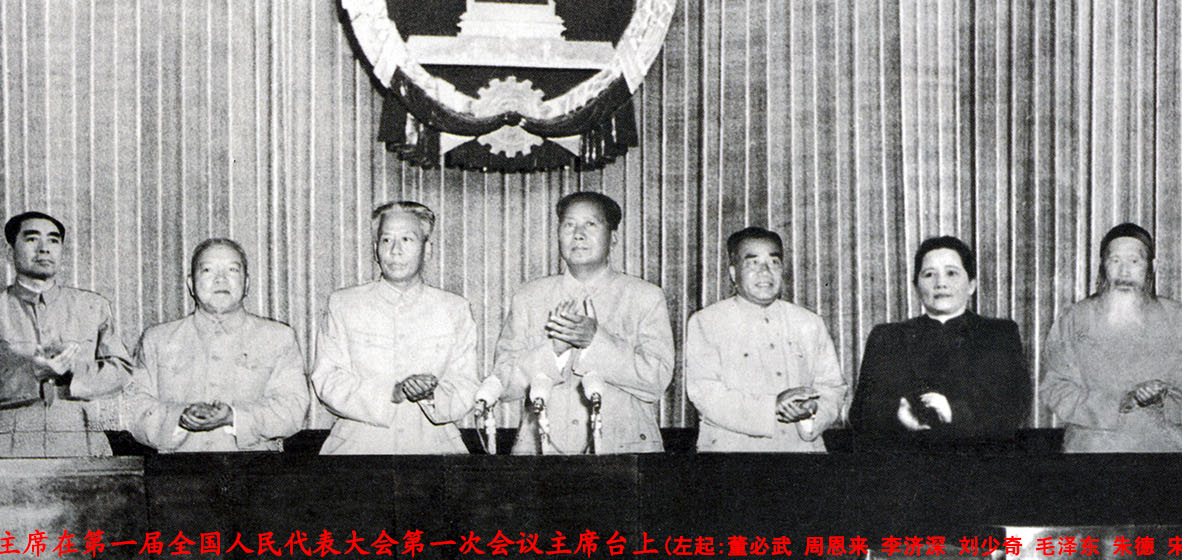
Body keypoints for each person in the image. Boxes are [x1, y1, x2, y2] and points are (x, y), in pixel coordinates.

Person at [491, 191, 673, 454]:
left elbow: (656, 380)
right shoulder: (529, 297)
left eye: (590, 224)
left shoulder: (645, 296)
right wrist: (553, 350)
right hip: (541, 453)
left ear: (613, 237)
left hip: (623, 453)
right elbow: (503, 383)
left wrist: (595, 342)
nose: (578, 234)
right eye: (569, 225)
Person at [0, 211, 132, 457]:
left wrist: (74, 371)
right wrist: (31, 374)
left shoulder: (92, 306)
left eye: (53, 240)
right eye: (32, 239)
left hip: (77, 444)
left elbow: (122, 370)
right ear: (9, 252)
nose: (44, 248)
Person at [312, 201, 480, 453]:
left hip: (435, 452)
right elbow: (328, 380)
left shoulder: (455, 309)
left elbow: (467, 386)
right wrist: (392, 392)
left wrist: (430, 396)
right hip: (357, 452)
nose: (395, 251)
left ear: (427, 250)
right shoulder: (344, 305)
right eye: (386, 240)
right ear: (375, 250)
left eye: (407, 240)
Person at [123, 238, 310, 452]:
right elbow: (133, 408)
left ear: (247, 283)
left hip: (255, 467)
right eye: (208, 270)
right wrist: (178, 418)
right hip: (177, 468)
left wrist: (235, 417)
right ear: (191, 284)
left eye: (232, 270)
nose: (221, 279)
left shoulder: (278, 338)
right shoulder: (156, 340)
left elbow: (293, 408)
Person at [849, 236, 1029, 451]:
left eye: (951, 273)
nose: (940, 283)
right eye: (929, 274)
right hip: (905, 460)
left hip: (979, 461)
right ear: (916, 286)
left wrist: (953, 412)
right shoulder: (887, 338)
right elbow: (860, 413)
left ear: (971, 285)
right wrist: (897, 415)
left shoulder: (999, 335)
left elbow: (1014, 408)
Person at [1040, 222, 1182, 452]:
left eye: (1134, 261)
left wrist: (1164, 398)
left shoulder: (1176, 317)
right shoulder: (1075, 318)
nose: (1124, 272)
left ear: (1152, 267)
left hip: (1162, 449)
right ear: (1103, 266)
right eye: (1115, 261)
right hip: (1092, 450)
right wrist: (1116, 403)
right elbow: (1055, 388)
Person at [683, 227, 847, 452]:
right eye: (753, 263)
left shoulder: (809, 322)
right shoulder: (707, 322)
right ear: (733, 273)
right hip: (732, 457)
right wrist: (772, 406)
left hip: (803, 454)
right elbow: (706, 393)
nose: (765, 272)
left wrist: (813, 409)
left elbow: (833, 388)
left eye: (774, 262)